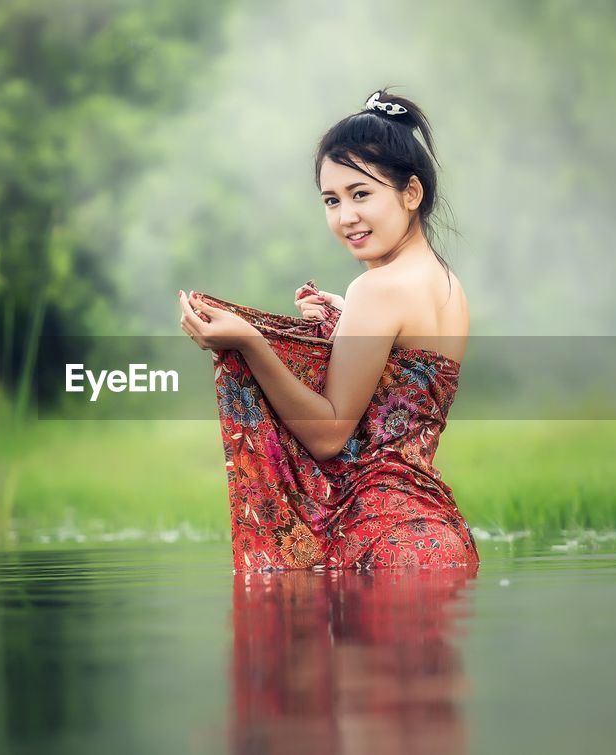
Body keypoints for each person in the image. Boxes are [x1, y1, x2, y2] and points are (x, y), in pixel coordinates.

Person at [177, 88, 478, 571]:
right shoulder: (445, 284)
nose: (346, 217)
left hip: (383, 538)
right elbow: (404, 381)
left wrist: (249, 342)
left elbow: (327, 435)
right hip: (438, 537)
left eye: (362, 195)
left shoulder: (377, 289)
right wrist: (345, 319)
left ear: (411, 193)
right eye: (331, 200)